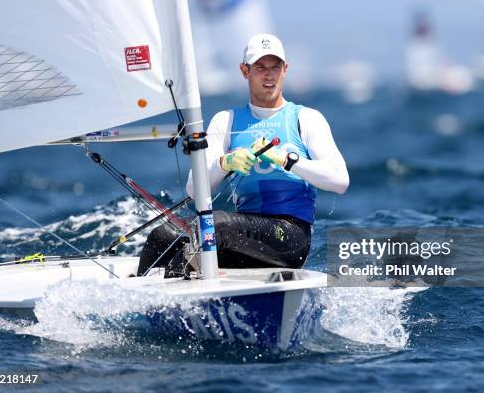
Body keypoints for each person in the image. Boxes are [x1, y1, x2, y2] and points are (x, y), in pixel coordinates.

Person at [137, 33, 349, 276]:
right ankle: (141, 301)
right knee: (162, 236)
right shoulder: (225, 121)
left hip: (289, 237)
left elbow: (340, 181)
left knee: (216, 225)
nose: (269, 75)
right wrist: (224, 163)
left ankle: (177, 285)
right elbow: (194, 189)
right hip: (239, 239)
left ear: (285, 69)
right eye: (260, 67)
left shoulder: (306, 118)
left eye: (275, 67)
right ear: (245, 71)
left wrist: (287, 160)